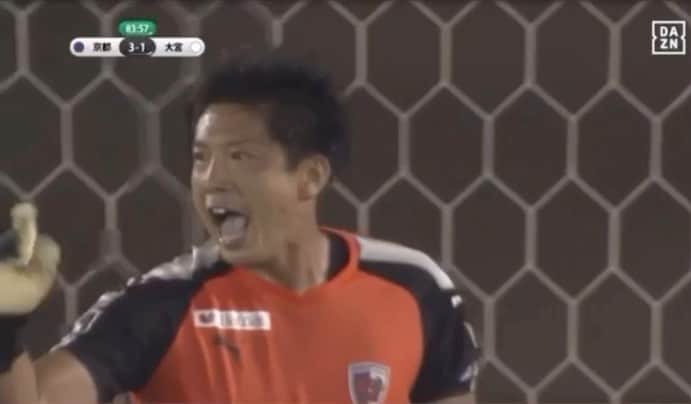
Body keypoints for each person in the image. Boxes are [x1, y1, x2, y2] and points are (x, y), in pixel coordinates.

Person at [0, 58, 481, 404]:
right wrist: (3, 325)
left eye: (240, 157)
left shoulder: (415, 288)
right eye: (201, 158)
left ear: (310, 176)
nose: (212, 179)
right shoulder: (163, 304)